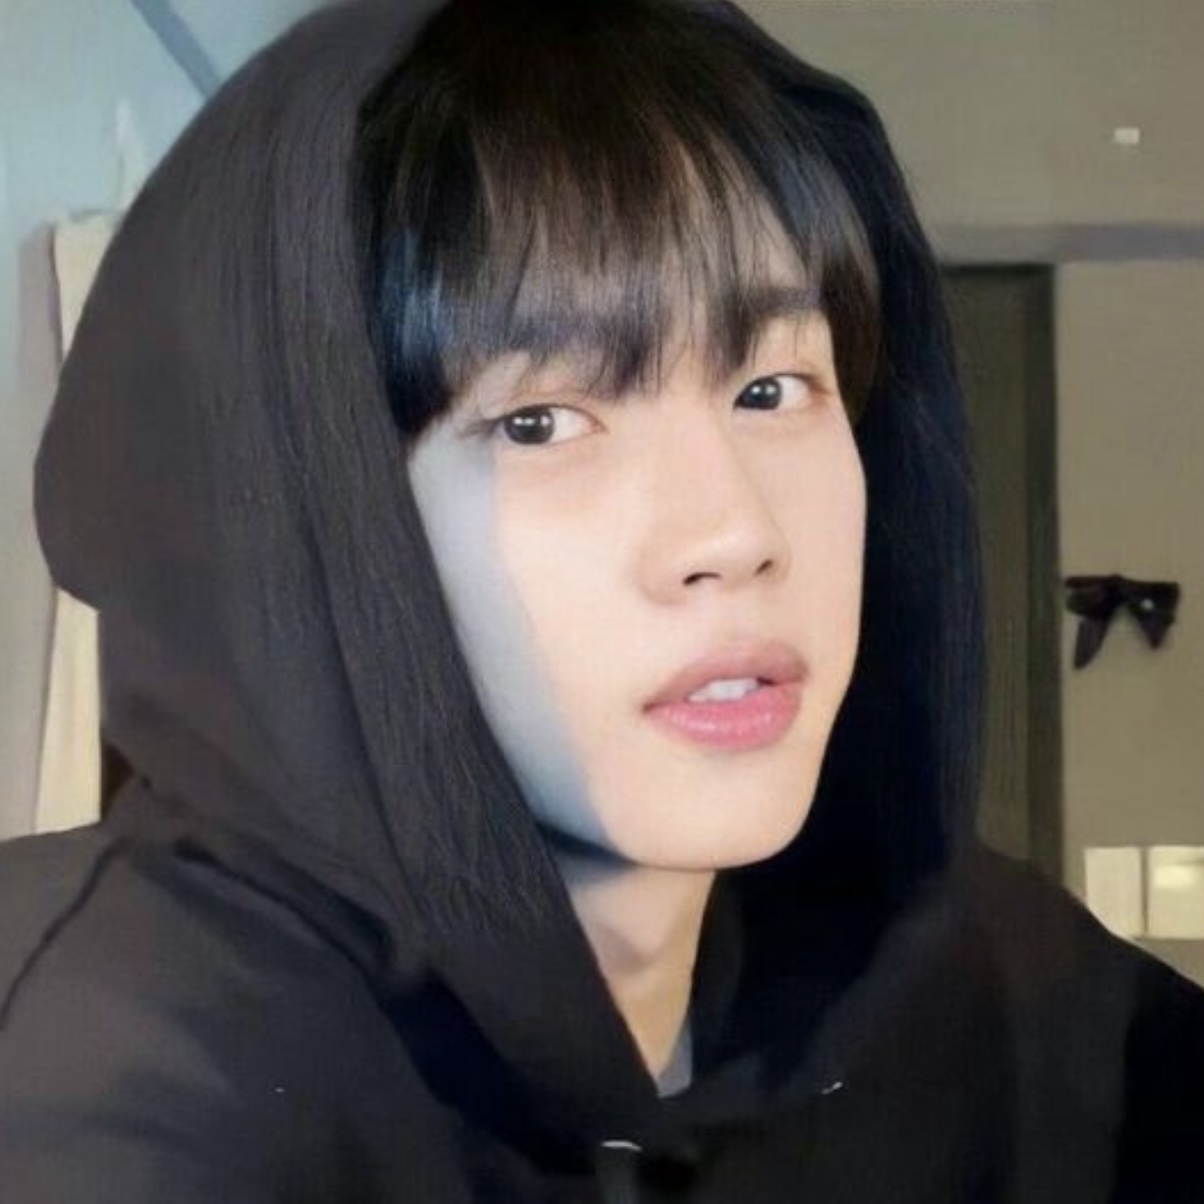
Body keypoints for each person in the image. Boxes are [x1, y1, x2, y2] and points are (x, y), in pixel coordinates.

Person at [2, 0, 1202, 1199]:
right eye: (541, 422)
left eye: (774, 389)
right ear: (302, 523)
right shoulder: (114, 1080)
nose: (734, 533)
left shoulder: (962, 976)